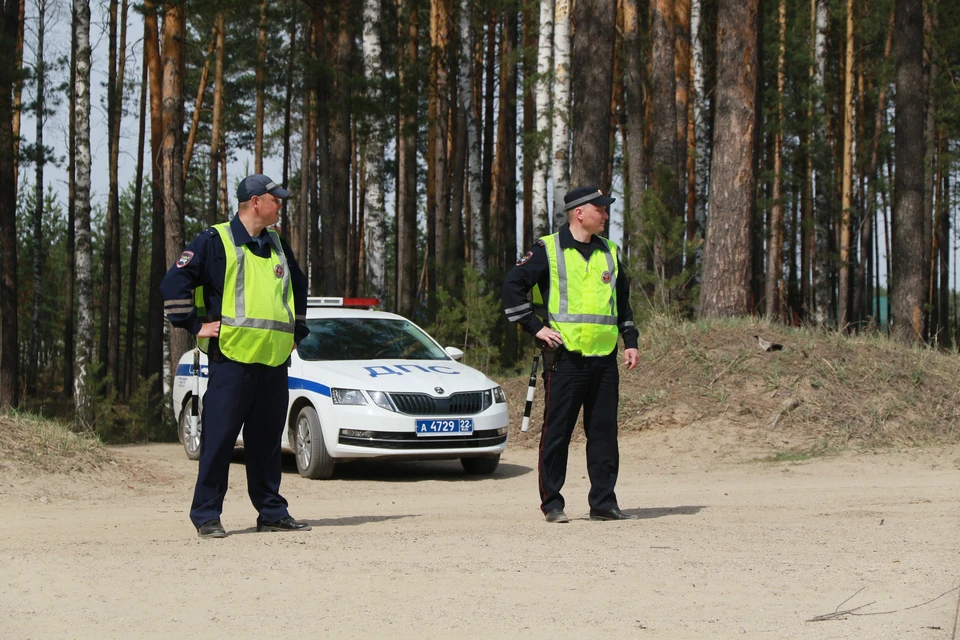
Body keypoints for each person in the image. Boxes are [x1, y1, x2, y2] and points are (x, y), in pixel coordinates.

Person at [161, 174, 312, 538]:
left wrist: (297, 332)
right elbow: (174, 283)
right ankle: (207, 515)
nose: (280, 205)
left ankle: (272, 512)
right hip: (232, 361)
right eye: (275, 199)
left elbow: (298, 285)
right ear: (256, 202)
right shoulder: (215, 241)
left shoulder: (276, 243)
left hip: (273, 361)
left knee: (266, 443)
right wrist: (194, 324)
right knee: (219, 441)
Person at [502, 186, 641, 523]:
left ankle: (604, 503)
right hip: (565, 360)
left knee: (604, 433)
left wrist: (631, 340)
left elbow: (622, 303)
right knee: (557, 432)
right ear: (580, 212)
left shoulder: (610, 251)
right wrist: (535, 327)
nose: (606, 215)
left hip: (605, 359)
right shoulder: (548, 249)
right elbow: (512, 288)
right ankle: (552, 503)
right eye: (601, 209)